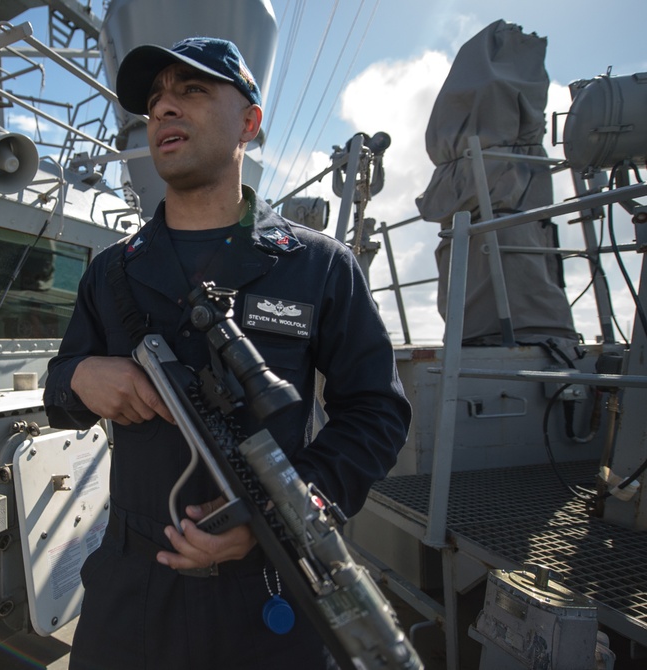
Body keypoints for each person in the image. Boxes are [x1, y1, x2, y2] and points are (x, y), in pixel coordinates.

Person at [43, 36, 411, 669]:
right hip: (132, 591)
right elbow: (58, 392)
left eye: (192, 90)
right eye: (156, 98)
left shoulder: (320, 267)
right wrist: (82, 376)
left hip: (270, 585)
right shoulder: (111, 274)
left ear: (250, 122)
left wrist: (278, 516)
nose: (164, 109)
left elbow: (376, 413)